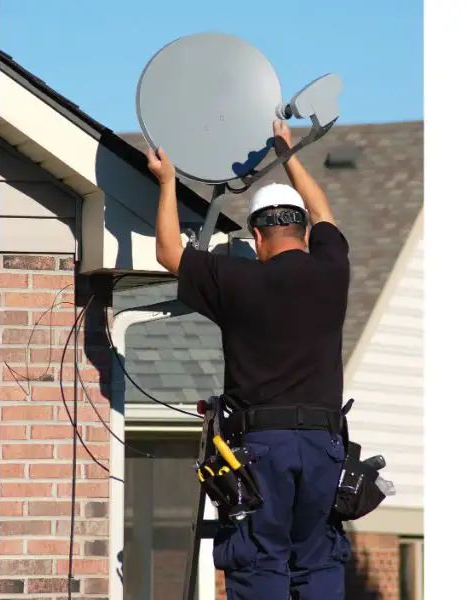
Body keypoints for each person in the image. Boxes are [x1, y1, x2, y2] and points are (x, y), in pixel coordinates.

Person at [147, 119, 352, 600]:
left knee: (260, 563)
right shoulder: (332, 269)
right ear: (304, 233)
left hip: (262, 448)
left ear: (257, 239)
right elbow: (325, 213)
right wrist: (288, 153)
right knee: (319, 562)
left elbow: (169, 253)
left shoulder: (236, 279)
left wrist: (166, 181)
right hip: (324, 445)